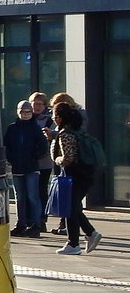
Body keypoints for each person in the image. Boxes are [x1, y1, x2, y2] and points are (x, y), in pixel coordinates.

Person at [47, 102, 102, 255]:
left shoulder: (65, 134)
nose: (53, 118)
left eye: (54, 115)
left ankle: (74, 243)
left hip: (73, 176)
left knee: (70, 208)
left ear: (59, 117)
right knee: (74, 207)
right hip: (85, 175)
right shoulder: (79, 131)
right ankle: (90, 234)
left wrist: (57, 159)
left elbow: (68, 158)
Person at [5, 99, 48, 237]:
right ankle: (21, 224)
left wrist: (34, 156)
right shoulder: (12, 128)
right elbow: (6, 146)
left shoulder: (35, 128)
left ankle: (36, 224)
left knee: (32, 196)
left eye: (29, 112)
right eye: (23, 112)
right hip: (17, 168)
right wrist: (10, 159)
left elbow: (43, 146)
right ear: (18, 112)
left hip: (31, 168)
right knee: (20, 197)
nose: (26, 114)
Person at [28, 92, 53, 231]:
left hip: (44, 162)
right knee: (29, 191)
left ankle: (42, 219)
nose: (36, 107)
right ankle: (30, 219)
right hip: (28, 162)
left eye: (39, 104)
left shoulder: (49, 121)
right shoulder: (26, 118)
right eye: (34, 104)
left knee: (41, 190)